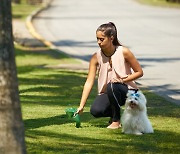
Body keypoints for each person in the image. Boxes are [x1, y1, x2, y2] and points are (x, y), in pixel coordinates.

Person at [77, 22, 143, 129]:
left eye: (101, 39)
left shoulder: (124, 52)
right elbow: (89, 82)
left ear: (111, 38)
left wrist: (124, 79)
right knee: (96, 111)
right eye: (97, 39)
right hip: (109, 91)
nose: (98, 42)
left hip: (128, 91)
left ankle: (116, 121)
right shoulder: (96, 56)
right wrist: (81, 106)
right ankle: (115, 113)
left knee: (112, 85)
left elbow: (139, 72)